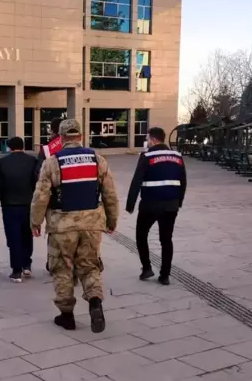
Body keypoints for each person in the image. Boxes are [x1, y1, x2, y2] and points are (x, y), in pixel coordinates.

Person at [31, 119, 118, 333]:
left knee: (62, 268)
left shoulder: (52, 162)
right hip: (92, 224)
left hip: (62, 225)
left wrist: (35, 221)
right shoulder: (97, 159)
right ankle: (95, 301)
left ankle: (67, 316)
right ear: (80, 135)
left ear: (60, 138)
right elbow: (110, 194)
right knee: (89, 265)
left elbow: (41, 195)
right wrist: (112, 220)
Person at [126, 127, 187, 286]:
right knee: (166, 239)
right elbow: (183, 182)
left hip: (150, 205)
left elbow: (136, 181)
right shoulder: (177, 156)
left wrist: (130, 204)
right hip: (170, 205)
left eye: (148, 138)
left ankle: (147, 268)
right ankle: (164, 275)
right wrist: (179, 201)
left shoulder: (147, 156)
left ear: (153, 140)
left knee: (141, 235)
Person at [0, 136, 38, 282]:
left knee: (13, 237)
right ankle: (27, 264)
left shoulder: (1, 162)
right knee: (27, 235)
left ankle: (16, 270)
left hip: (9, 205)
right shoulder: (32, 161)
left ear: (9, 147)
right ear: (23, 146)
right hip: (28, 204)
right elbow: (36, 183)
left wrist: (2, 198)